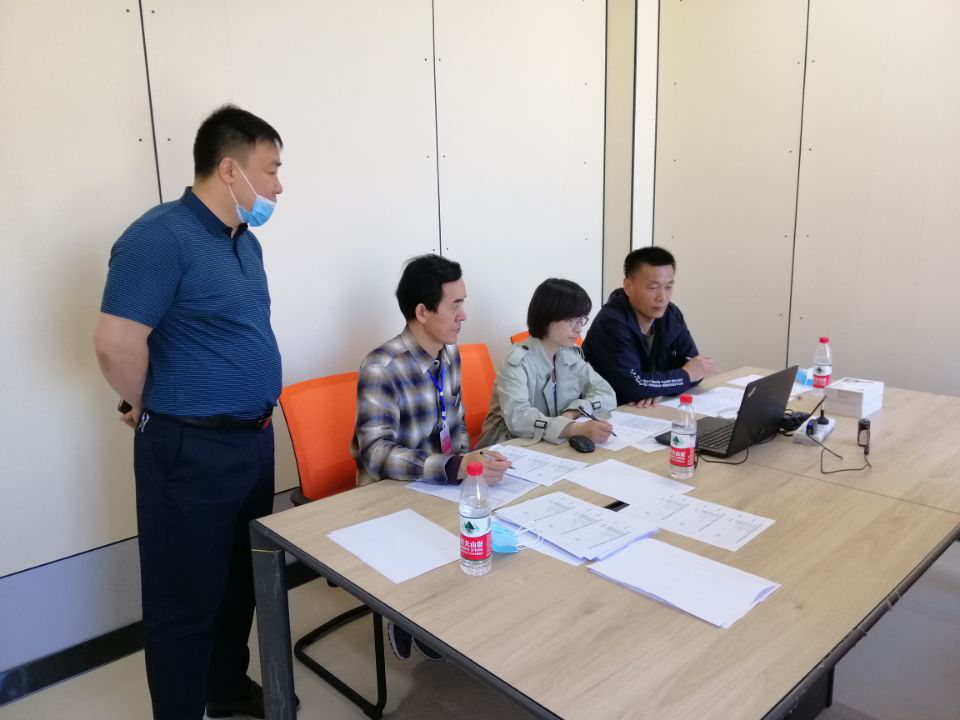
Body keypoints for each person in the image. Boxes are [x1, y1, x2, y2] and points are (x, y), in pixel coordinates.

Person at [94, 105, 290, 720]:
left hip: (252, 442)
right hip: (190, 450)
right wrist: (149, 404)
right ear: (230, 169)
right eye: (271, 169)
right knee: (184, 598)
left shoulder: (246, 244)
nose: (279, 185)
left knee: (239, 583)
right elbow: (115, 343)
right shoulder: (160, 237)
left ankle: (223, 687)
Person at [351, 253, 510, 660]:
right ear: (422, 312)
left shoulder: (449, 353)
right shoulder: (382, 367)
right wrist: (453, 467)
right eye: (455, 305)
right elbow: (375, 454)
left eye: (463, 302)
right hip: (390, 492)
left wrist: (471, 464)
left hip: (439, 482)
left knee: (493, 517)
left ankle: (445, 612)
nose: (464, 315)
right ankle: (406, 610)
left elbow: (456, 425)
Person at [478, 278, 616, 448]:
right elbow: (519, 419)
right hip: (507, 444)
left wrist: (573, 412)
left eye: (581, 320)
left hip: (551, 442)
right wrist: (573, 428)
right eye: (571, 320)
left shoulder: (570, 355)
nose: (579, 329)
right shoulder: (517, 361)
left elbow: (607, 394)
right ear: (546, 317)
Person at [582, 246, 717, 405]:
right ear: (628, 287)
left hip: (647, 408)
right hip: (608, 412)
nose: (662, 297)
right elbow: (632, 386)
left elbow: (696, 368)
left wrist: (657, 387)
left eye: (668, 287)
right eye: (653, 287)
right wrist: (679, 378)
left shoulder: (671, 314)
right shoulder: (611, 323)